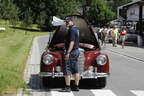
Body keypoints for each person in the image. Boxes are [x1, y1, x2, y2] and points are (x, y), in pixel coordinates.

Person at [61, 17, 80, 92]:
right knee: (75, 69)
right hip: (76, 51)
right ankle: (76, 86)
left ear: (72, 22)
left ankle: (67, 87)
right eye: (66, 22)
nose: (66, 23)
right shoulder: (75, 29)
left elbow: (72, 42)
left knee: (67, 68)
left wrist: (68, 52)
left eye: (68, 22)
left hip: (71, 52)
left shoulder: (72, 30)